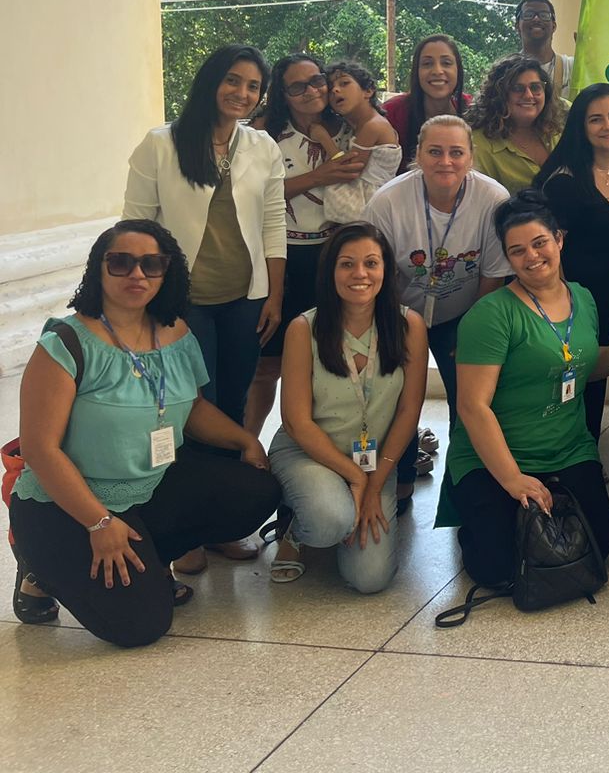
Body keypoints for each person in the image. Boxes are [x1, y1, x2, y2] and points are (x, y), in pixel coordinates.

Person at [9, 220, 280, 647]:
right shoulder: (66, 343)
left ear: (166, 271)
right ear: (99, 269)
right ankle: (39, 569)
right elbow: (41, 450)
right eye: (121, 262)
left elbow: (191, 408)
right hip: (69, 505)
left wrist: (244, 440)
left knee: (257, 490)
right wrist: (99, 522)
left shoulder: (175, 331)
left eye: (151, 264)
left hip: (149, 485)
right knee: (142, 626)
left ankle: (150, 559)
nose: (137, 275)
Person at [122, 43, 285, 567]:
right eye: (233, 81)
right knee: (188, 410)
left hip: (244, 300)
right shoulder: (161, 144)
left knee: (231, 405)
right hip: (182, 304)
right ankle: (181, 530)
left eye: (253, 86)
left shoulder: (261, 147)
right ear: (211, 81)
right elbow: (135, 228)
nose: (242, 93)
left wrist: (274, 294)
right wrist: (141, 302)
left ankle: (218, 522)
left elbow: (274, 224)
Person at [438, 190, 609, 587]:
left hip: (568, 448)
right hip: (498, 454)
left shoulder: (584, 300)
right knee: (500, 568)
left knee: (598, 545)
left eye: (540, 243)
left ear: (560, 239)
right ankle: (475, 514)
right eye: (517, 250)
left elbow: (586, 368)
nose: (532, 256)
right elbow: (473, 407)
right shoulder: (491, 315)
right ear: (507, 257)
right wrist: (512, 479)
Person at [266, 223, 427, 591]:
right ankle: (297, 530)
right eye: (347, 264)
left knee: (368, 579)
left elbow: (409, 411)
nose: (360, 274)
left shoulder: (408, 325)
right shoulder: (303, 328)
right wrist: (355, 479)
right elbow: (296, 421)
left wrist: (373, 484)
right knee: (327, 522)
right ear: (330, 272)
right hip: (309, 454)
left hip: (374, 460)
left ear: (386, 269)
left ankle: (344, 511)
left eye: (371, 263)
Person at [363, 115, 513, 504]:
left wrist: (473, 338)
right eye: (435, 151)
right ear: (418, 155)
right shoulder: (387, 202)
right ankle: (400, 481)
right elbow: (375, 276)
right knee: (396, 400)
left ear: (471, 157)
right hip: (398, 312)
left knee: (469, 403)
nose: (445, 161)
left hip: (465, 312)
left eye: (456, 152)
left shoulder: (494, 200)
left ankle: (465, 487)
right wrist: (392, 331)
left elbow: (492, 277)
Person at [245, 53, 369, 438]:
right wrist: (319, 176)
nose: (311, 91)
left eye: (316, 80)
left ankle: (319, 443)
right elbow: (250, 195)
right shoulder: (264, 131)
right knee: (267, 363)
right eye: (296, 86)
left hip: (333, 254)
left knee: (328, 358)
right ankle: (247, 447)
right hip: (280, 254)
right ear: (282, 94)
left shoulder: (347, 125)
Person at [534, 84, 609, 440]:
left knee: (594, 370)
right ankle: (558, 456)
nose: (608, 126)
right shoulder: (565, 181)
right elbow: (549, 247)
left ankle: (587, 451)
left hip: (606, 283)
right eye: (595, 119)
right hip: (570, 286)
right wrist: (560, 301)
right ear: (580, 127)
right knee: (569, 369)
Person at [466, 56, 564, 195]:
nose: (529, 95)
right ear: (499, 95)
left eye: (535, 87)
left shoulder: (557, 132)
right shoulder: (478, 145)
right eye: (518, 88)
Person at [322, 60, 403, 221]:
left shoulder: (373, 126)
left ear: (368, 91)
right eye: (330, 89)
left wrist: (323, 138)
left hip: (370, 206)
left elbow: (349, 170)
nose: (336, 90)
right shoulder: (356, 126)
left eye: (344, 83)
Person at [384, 34, 473, 167]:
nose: (437, 71)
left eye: (446, 63)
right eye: (427, 64)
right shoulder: (392, 112)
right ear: (416, 71)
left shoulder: (473, 110)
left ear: (458, 70)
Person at [514, 0, 575, 105]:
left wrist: (588, 56)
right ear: (517, 26)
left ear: (554, 26)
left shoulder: (571, 67)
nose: (536, 19)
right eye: (529, 15)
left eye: (544, 15)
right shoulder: (507, 72)